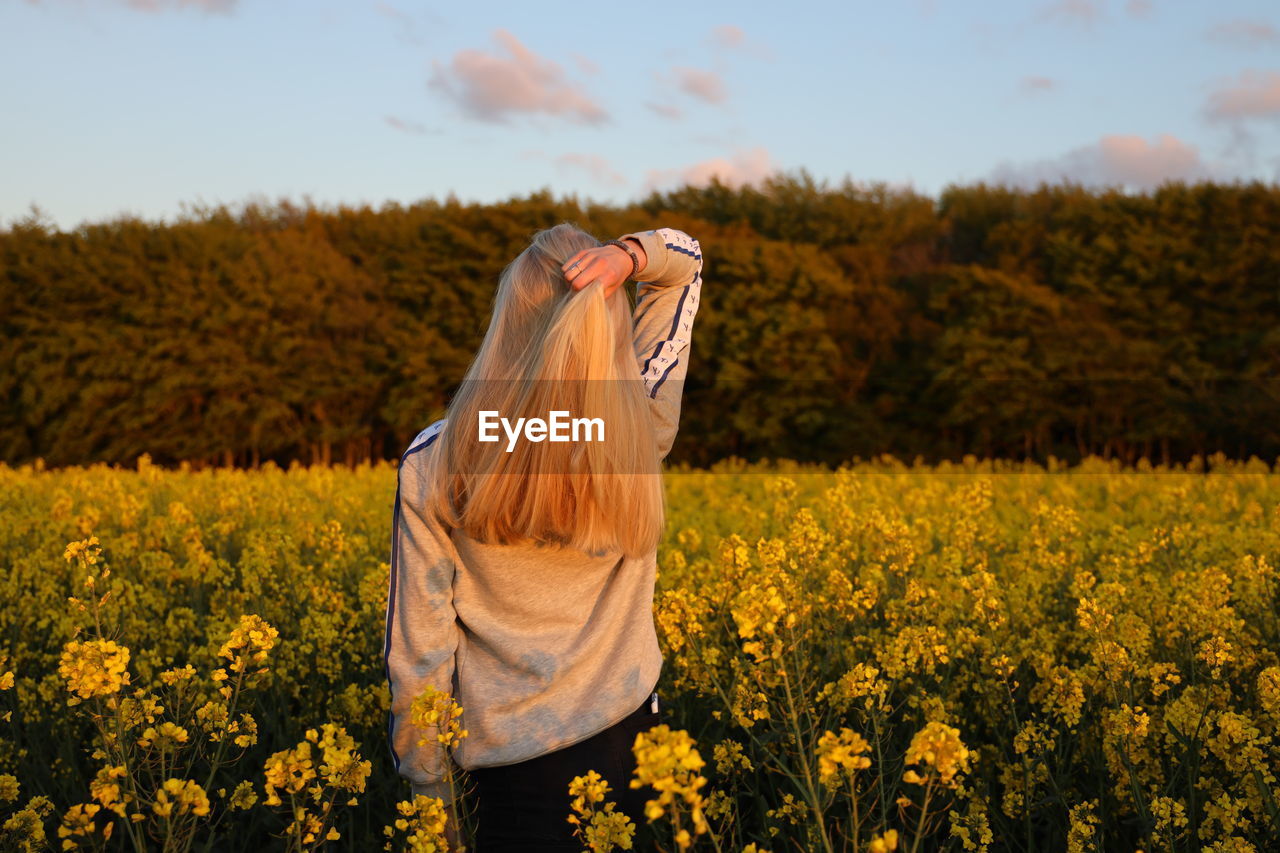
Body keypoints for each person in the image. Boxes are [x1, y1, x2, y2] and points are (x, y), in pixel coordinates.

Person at [383, 222, 703, 850]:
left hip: (510, 773)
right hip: (637, 746)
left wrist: (429, 798)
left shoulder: (436, 460)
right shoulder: (639, 429)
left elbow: (417, 652)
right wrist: (626, 259)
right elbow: (686, 264)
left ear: (507, 325)